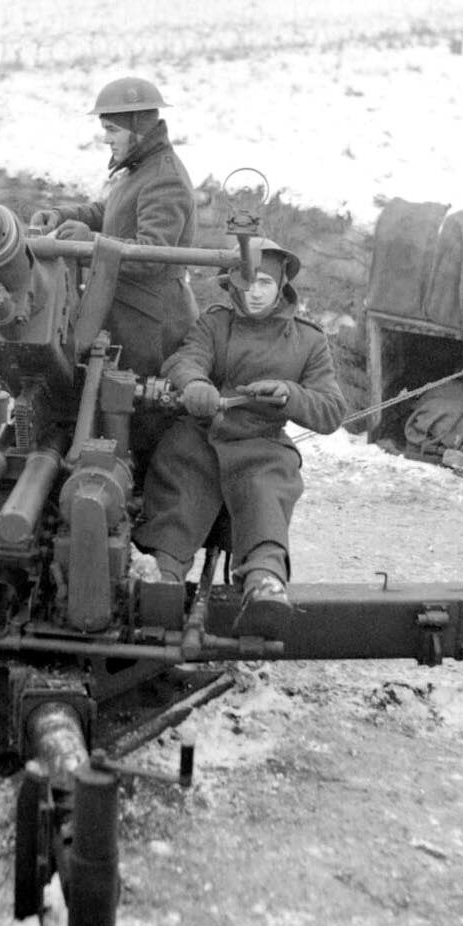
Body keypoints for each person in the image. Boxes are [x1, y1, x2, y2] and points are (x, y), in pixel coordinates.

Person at [134, 238, 348, 636]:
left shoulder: (308, 341)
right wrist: (195, 383)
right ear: (233, 282)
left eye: (266, 282)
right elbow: (186, 357)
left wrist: (290, 394)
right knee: (179, 476)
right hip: (201, 433)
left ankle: (264, 581)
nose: (255, 292)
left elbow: (331, 409)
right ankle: (162, 573)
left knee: (266, 489)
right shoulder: (215, 323)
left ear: (282, 285)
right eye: (248, 281)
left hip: (262, 441)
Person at [29, 77, 198, 378]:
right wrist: (60, 214)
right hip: (123, 313)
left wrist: (90, 242)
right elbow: (110, 213)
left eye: (112, 130)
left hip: (149, 327)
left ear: (139, 129)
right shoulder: (140, 169)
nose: (106, 139)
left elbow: (151, 254)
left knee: (133, 415)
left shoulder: (164, 177)